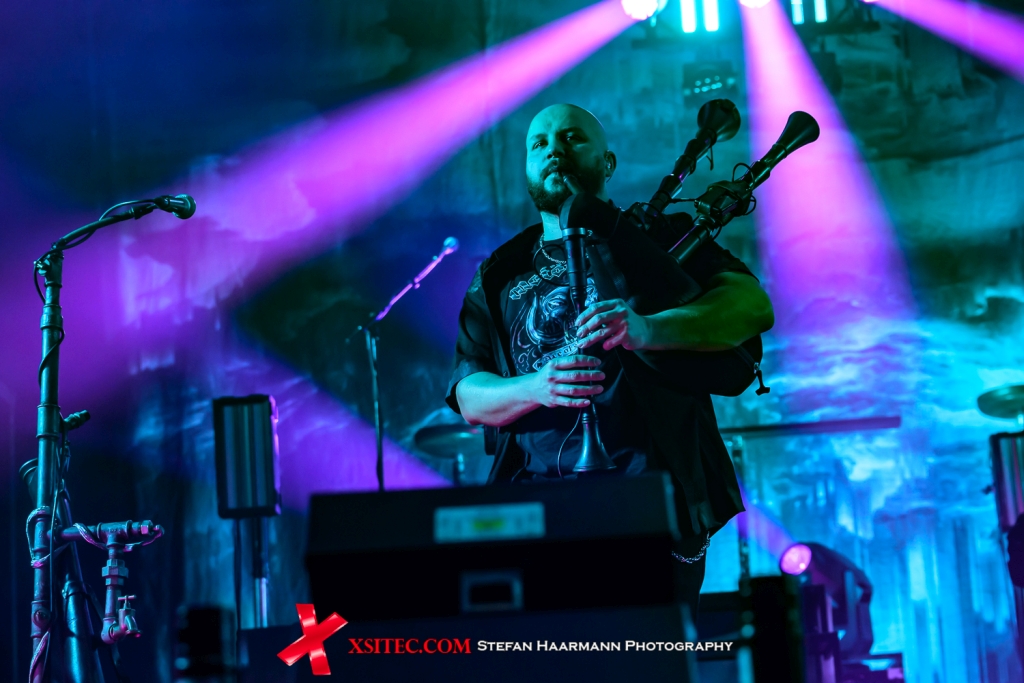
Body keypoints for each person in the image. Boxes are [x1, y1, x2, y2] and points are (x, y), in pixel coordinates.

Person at [444, 103, 774, 617]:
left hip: (655, 503)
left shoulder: (655, 237)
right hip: (542, 510)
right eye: (539, 144)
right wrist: (535, 387)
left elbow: (750, 307)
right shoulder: (499, 274)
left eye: (572, 137)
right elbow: (469, 396)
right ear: (527, 168)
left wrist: (647, 329)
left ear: (608, 162)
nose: (554, 150)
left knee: (645, 655)